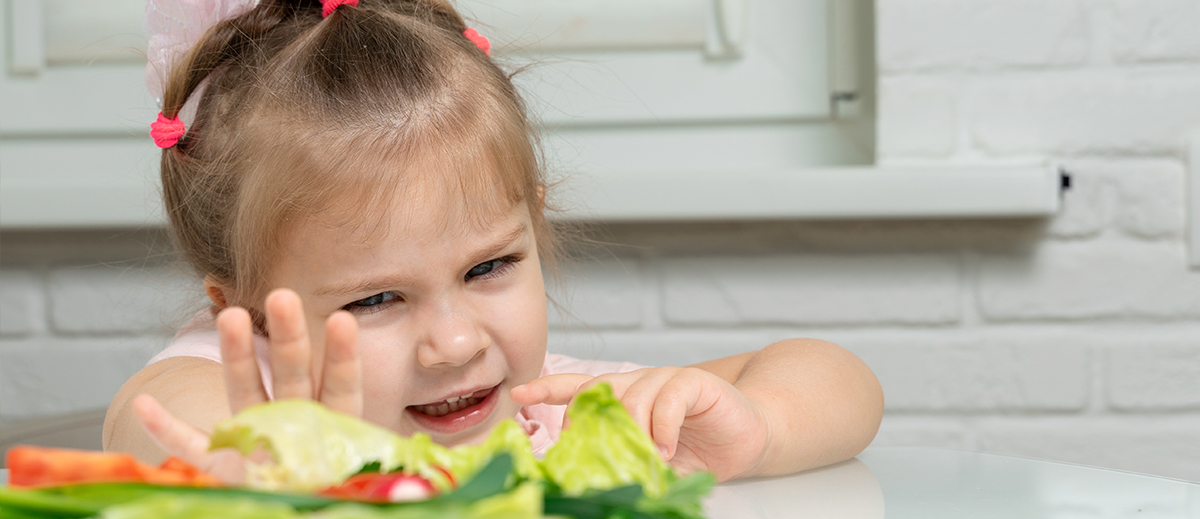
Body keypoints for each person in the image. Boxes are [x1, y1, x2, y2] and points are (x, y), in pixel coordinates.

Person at [104, 0, 884, 483]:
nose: (452, 342)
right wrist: (252, 472)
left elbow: (843, 383)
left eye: (489, 267)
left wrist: (760, 426)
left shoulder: (552, 413)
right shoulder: (257, 397)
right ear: (247, 313)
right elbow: (149, 416)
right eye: (377, 299)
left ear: (534, 228)